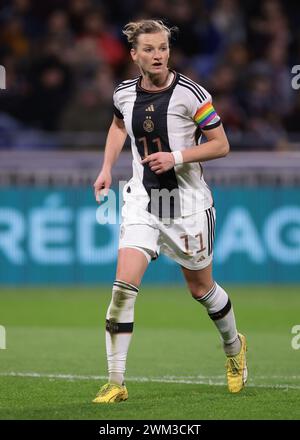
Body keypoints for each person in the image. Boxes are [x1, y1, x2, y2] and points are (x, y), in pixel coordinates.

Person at [92, 19, 247, 404]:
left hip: (188, 208)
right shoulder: (124, 93)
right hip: (142, 204)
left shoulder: (192, 94)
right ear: (134, 55)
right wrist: (106, 168)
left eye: (162, 48)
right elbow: (117, 126)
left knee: (201, 290)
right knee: (122, 290)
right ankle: (116, 381)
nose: (158, 55)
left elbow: (221, 144)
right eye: (149, 49)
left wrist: (175, 156)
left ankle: (234, 347)